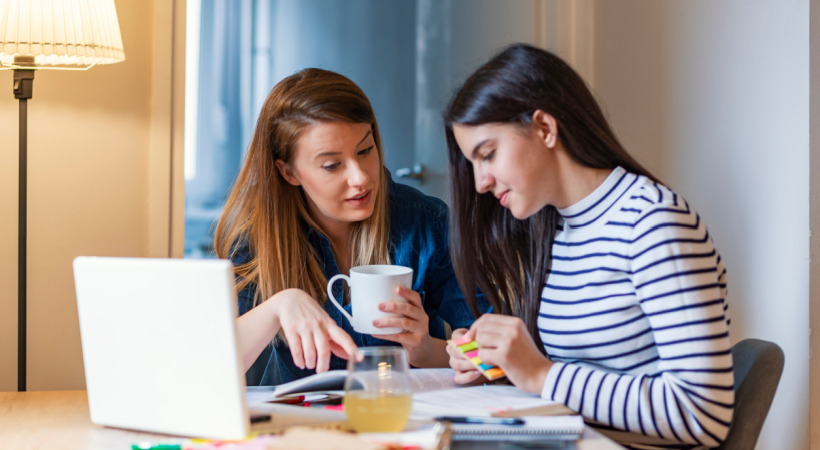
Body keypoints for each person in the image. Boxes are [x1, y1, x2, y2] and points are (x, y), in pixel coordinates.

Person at [444, 44, 733, 450]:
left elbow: (703, 414)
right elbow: (587, 378)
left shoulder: (653, 223)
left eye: (488, 154)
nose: (480, 183)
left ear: (544, 128)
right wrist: (497, 362)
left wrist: (541, 375)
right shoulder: (558, 228)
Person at [215, 68, 486, 385]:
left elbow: (489, 360)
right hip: (299, 426)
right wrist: (277, 307)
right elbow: (205, 370)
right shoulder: (258, 239)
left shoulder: (428, 223)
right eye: (332, 165)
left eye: (365, 150)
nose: (360, 177)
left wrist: (425, 349)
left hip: (405, 420)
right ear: (288, 172)